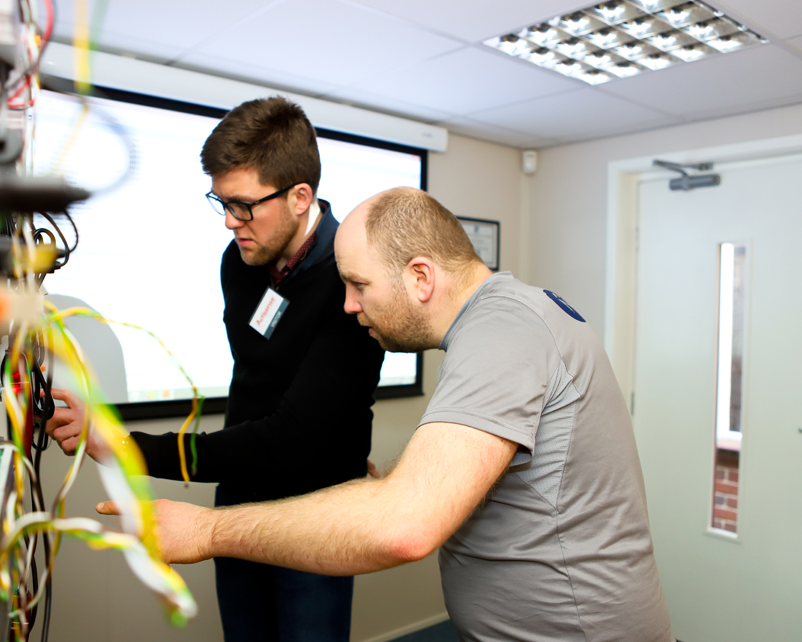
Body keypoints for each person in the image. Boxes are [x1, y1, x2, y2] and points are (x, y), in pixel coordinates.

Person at [118, 187, 674, 642]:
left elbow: (404, 528)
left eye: (359, 285)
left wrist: (207, 530)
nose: (348, 304)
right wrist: (396, 482)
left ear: (420, 277)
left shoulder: (503, 333)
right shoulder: (508, 317)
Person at [46, 96, 385, 642]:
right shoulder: (241, 260)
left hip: (315, 512)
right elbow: (258, 379)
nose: (230, 222)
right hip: (241, 495)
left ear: (300, 197)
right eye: (222, 203)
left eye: (244, 206)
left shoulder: (352, 283)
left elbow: (291, 437)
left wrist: (125, 446)